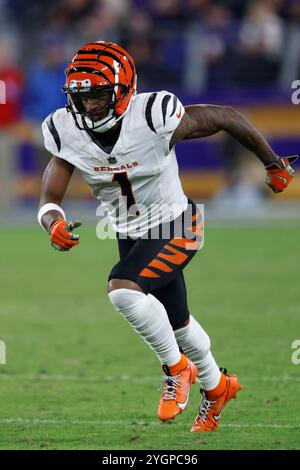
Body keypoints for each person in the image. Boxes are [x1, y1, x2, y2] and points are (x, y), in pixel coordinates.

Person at [37, 41, 297, 432]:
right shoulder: (65, 130)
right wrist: (53, 223)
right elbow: (49, 199)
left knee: (122, 288)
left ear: (124, 91)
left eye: (97, 95)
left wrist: (273, 164)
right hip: (129, 232)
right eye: (81, 96)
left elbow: (226, 116)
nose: (88, 105)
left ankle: (176, 369)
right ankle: (218, 387)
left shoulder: (154, 116)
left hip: (178, 223)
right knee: (178, 324)